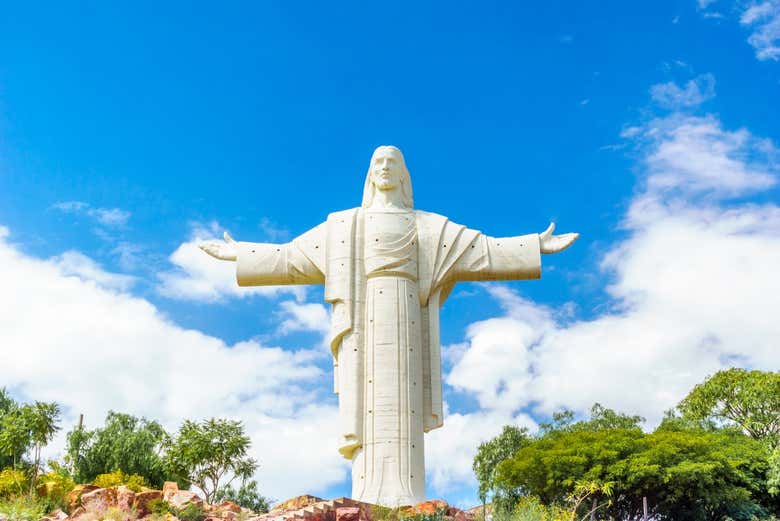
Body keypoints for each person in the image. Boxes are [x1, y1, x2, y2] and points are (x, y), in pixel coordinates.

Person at [200, 145, 578, 506]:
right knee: (368, 407)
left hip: (407, 313)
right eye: (378, 162)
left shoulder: (428, 226)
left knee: (404, 404)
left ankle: (408, 494)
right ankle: (368, 491)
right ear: (370, 173)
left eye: (392, 162)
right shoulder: (344, 226)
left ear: (402, 174)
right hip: (365, 320)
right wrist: (241, 254)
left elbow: (482, 251)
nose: (384, 168)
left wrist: (534, 246)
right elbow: (291, 257)